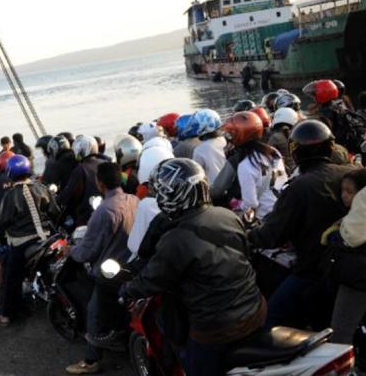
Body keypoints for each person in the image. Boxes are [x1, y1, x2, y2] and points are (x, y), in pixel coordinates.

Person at [123, 159, 266, 376]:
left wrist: (128, 290)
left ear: (172, 195)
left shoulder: (175, 239)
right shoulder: (227, 215)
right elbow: (245, 253)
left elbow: (152, 279)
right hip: (255, 310)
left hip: (216, 328)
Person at [248, 120, 353, 329]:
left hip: (315, 268)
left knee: (269, 320)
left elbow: (272, 235)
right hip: (349, 262)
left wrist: (247, 235)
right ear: (331, 147)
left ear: (295, 152)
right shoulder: (350, 173)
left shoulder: (299, 187)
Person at [64, 163, 137, 375]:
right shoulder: (134, 200)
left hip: (111, 275)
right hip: (134, 267)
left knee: (93, 314)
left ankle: (91, 360)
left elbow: (87, 251)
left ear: (100, 183)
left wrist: (70, 251)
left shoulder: (104, 210)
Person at [0, 155, 60, 326]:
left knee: (11, 278)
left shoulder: (10, 195)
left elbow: (1, 221)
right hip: (48, 238)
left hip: (23, 243)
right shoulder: (41, 188)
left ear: (10, 172)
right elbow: (55, 212)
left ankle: (6, 315)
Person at [323, 170, 366, 346]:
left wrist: (338, 236)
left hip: (358, 274)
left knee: (341, 332)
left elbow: (352, 236)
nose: (344, 196)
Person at [220, 111, 288, 219]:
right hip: (283, 207)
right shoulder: (273, 152)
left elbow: (251, 204)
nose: (229, 137)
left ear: (240, 135)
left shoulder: (246, 165)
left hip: (265, 217)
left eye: (231, 134)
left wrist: (235, 203)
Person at [59, 135, 106, 228]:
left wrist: (59, 198)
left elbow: (68, 196)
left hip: (88, 219)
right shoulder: (106, 163)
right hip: (110, 212)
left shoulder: (80, 169)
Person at [190, 108, 227, 186]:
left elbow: (196, 175)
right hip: (231, 188)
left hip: (215, 191)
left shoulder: (200, 150)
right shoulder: (226, 141)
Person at [268, 107, 298, 175]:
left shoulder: (275, 137)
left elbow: (268, 158)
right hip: (298, 169)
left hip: (286, 173)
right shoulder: (297, 134)